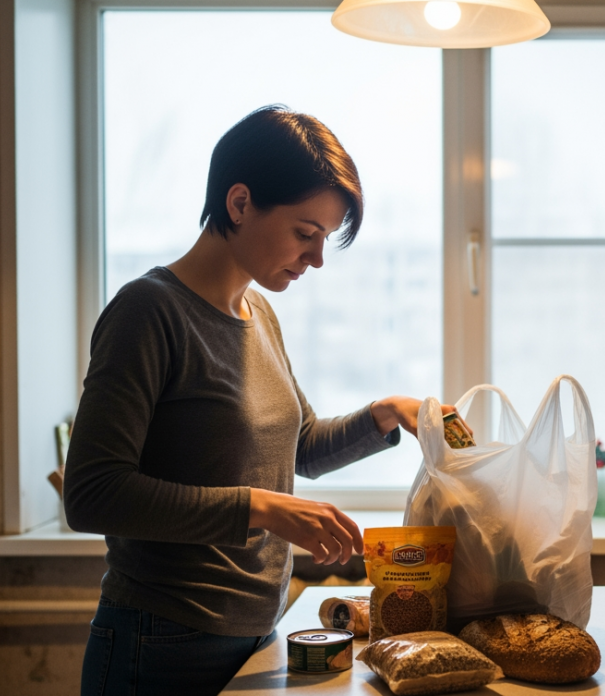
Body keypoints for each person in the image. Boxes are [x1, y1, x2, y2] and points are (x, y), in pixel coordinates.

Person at [64, 105, 454, 696]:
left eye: (324, 239)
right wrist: (261, 509)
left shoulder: (258, 312)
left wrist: (385, 414)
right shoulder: (148, 311)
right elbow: (92, 495)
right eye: (306, 233)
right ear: (240, 202)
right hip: (161, 642)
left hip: (257, 630)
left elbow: (300, 449)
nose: (317, 259)